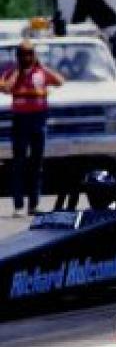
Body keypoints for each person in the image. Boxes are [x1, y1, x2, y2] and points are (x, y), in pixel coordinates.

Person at [1, 40, 65, 216]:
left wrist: (42, 67)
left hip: (39, 121)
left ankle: (33, 204)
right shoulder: (11, 73)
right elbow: (5, 88)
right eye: (23, 54)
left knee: (37, 165)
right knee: (19, 163)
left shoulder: (40, 73)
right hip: (20, 121)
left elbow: (60, 81)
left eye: (30, 54)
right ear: (18, 56)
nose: (26, 57)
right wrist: (18, 72)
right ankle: (18, 206)